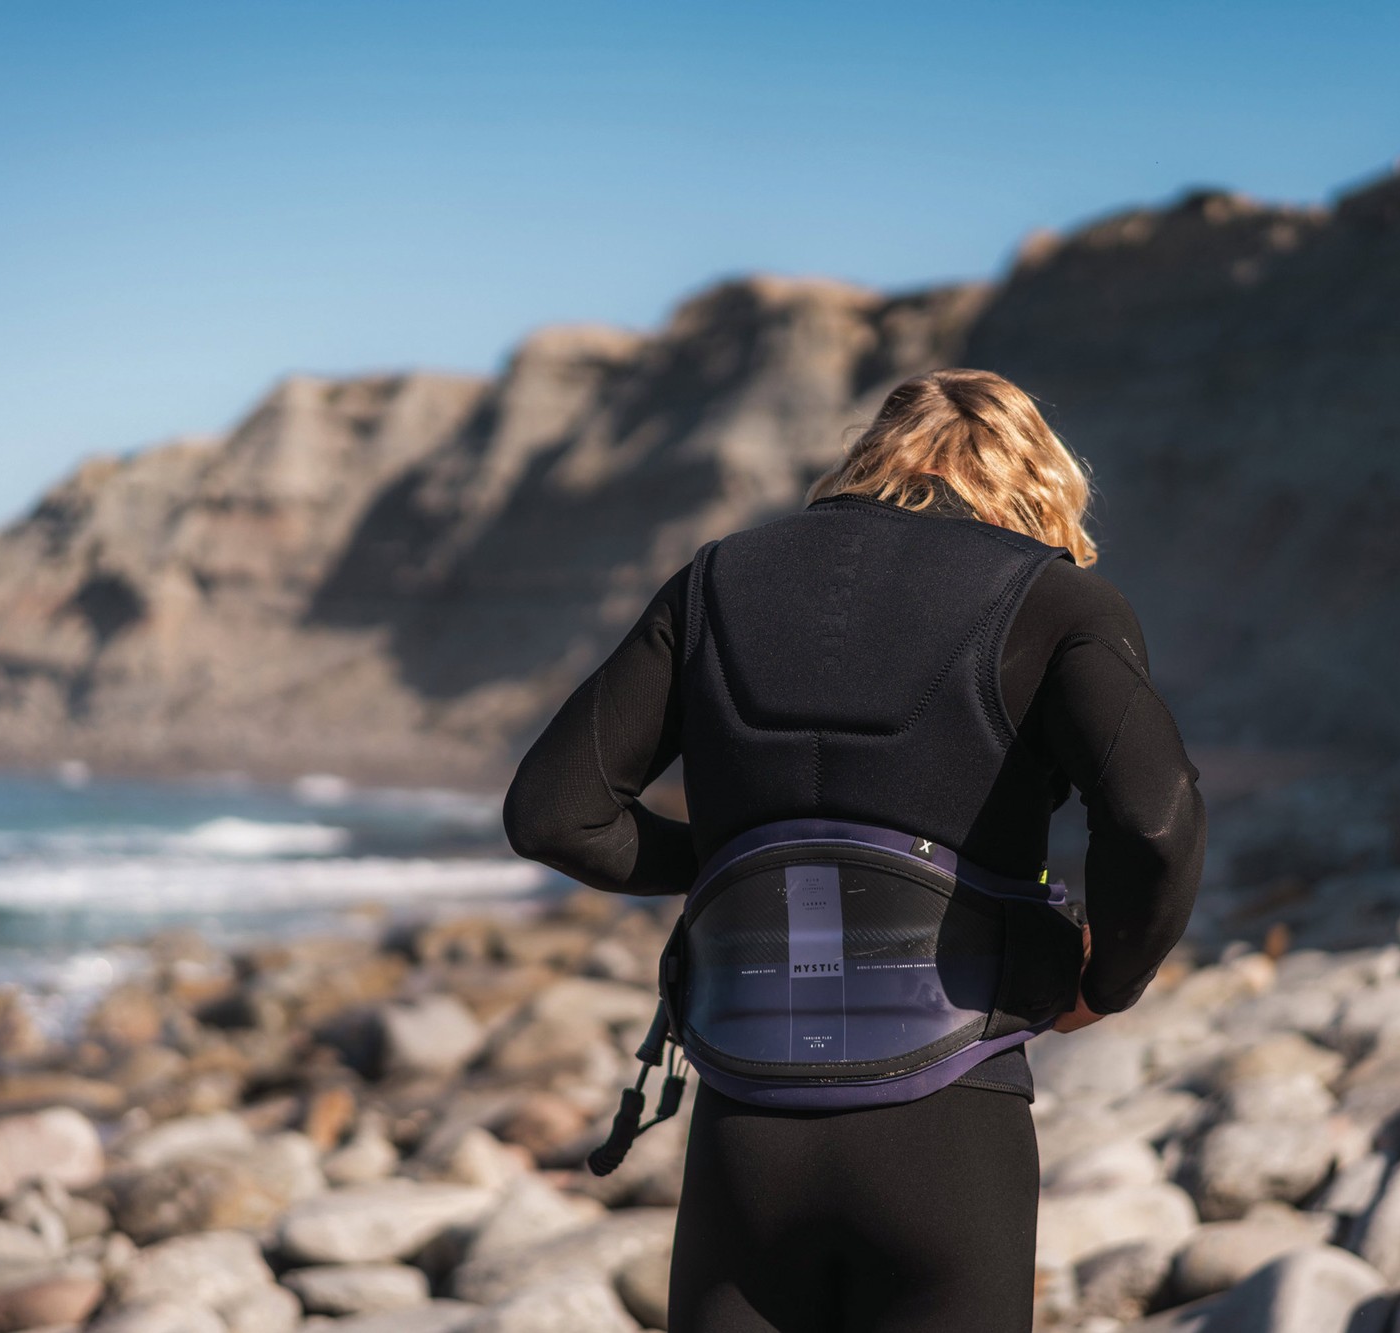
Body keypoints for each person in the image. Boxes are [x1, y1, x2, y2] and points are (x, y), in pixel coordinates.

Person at [502, 368, 1205, 1333]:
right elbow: (1156, 819)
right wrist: (1105, 982)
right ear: (1037, 478)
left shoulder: (715, 581)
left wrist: (745, 862)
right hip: (950, 1124)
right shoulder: (1054, 601)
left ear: (870, 457)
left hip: (746, 1127)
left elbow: (555, 814)